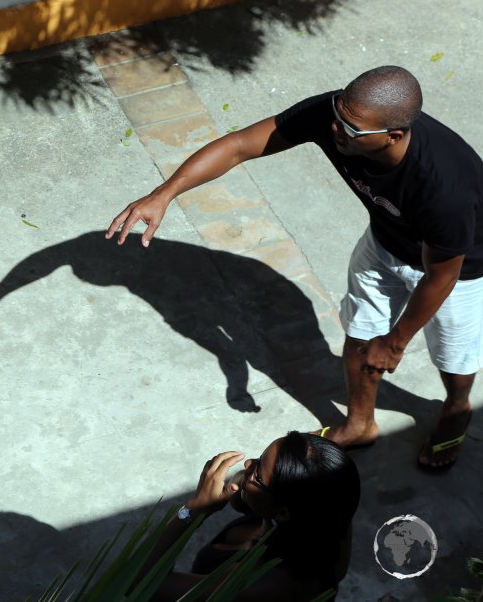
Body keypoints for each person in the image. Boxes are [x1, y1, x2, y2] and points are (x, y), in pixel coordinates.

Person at [107, 66, 479, 470]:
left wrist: (395, 342)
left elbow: (441, 274)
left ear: (393, 136)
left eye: (350, 129)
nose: (336, 131)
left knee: (453, 355)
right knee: (359, 336)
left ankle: (457, 407)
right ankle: (359, 425)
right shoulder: (337, 116)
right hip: (386, 242)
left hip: (461, 267)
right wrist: (164, 194)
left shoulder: (444, 186)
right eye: (337, 116)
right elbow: (240, 145)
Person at [136, 431, 360, 601]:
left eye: (258, 471)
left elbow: (139, 582)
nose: (247, 464)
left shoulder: (259, 584)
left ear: (283, 512)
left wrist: (194, 510)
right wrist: (245, 484)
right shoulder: (328, 518)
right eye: (259, 458)